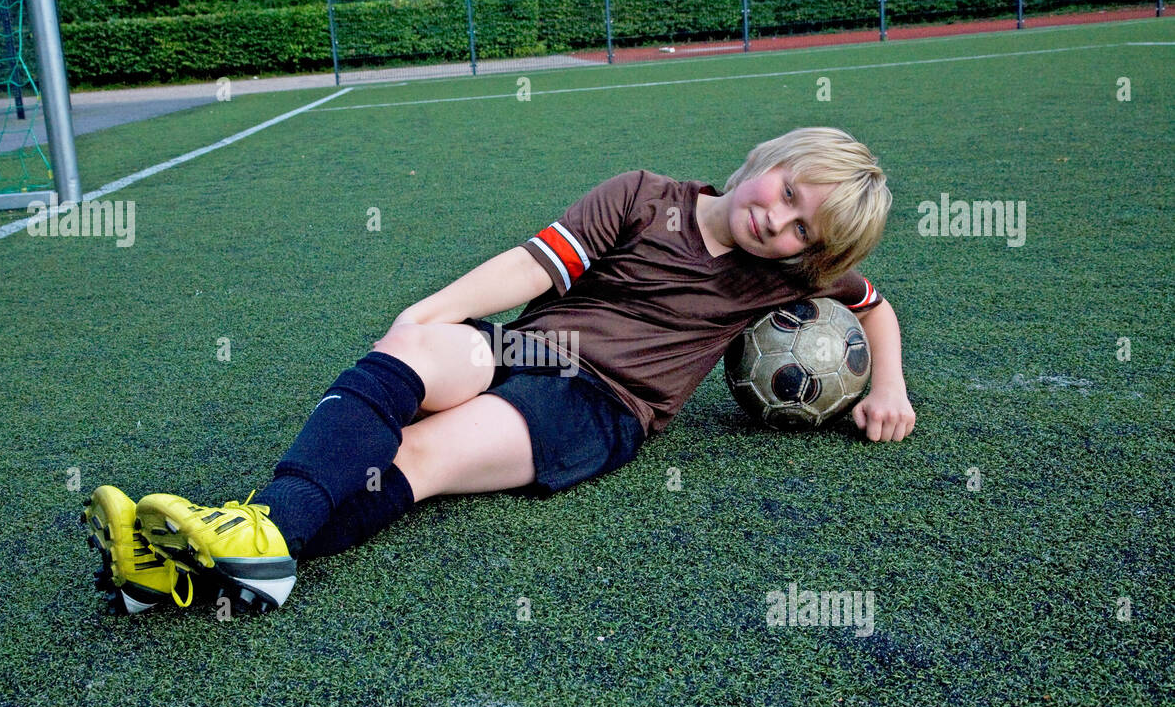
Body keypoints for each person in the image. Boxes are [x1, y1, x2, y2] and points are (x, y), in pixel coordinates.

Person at [83, 127, 915, 615]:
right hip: (528, 346)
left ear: (814, 254)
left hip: (601, 406)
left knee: (425, 455)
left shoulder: (785, 278)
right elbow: (536, 266)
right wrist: (428, 315)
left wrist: (889, 389)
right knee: (415, 348)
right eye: (786, 190)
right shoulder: (642, 195)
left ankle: (207, 562)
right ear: (769, 156)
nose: (777, 219)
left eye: (802, 228)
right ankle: (252, 542)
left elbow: (874, 305)